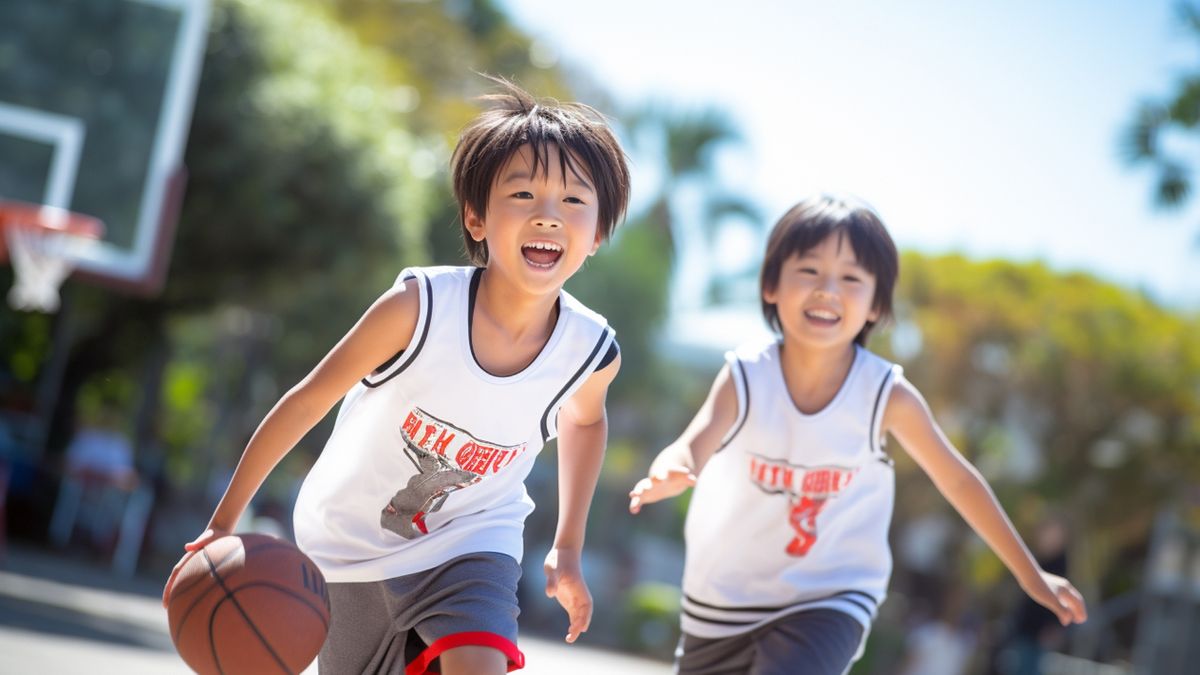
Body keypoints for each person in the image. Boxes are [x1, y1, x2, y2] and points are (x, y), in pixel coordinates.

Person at [162, 78, 630, 675]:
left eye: (573, 201)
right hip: (344, 545)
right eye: (522, 195)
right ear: (476, 217)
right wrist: (223, 521)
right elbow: (308, 402)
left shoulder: (589, 351)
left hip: (472, 542)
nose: (548, 217)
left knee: (478, 662)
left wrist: (567, 546)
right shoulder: (417, 309)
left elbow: (586, 422)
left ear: (596, 236)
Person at [628, 195, 1087, 675]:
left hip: (831, 594)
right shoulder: (747, 374)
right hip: (725, 595)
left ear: (876, 305)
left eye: (851, 278)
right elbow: (692, 443)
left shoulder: (886, 395)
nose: (828, 290)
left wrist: (1030, 574)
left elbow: (958, 481)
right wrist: (669, 472)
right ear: (771, 285)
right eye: (809, 270)